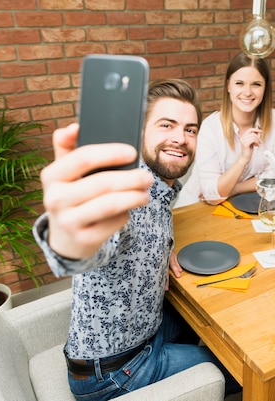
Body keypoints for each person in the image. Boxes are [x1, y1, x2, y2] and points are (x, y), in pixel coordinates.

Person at [33, 79, 238, 400]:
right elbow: (90, 244)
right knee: (240, 366)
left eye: (190, 130)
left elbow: (151, 226)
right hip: (112, 373)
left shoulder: (161, 184)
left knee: (215, 316)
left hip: (144, 332)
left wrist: (164, 249)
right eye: (166, 125)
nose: (180, 138)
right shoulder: (125, 193)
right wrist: (67, 237)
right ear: (139, 131)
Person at [174, 51, 275, 207]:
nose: (247, 92)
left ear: (265, 88)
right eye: (239, 83)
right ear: (228, 86)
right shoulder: (210, 127)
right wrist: (243, 159)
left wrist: (235, 189)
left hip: (240, 204)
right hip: (196, 207)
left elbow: (274, 179)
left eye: (256, 84)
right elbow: (212, 196)